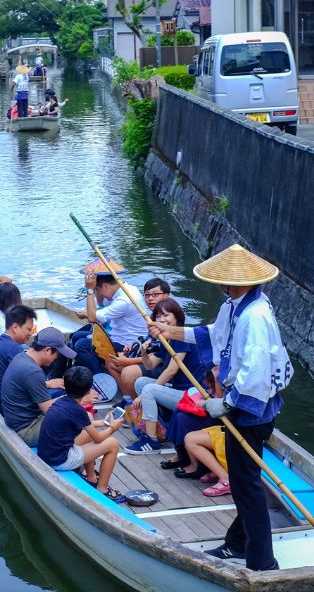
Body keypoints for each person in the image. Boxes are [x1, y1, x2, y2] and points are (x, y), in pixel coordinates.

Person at [150, 244, 294, 571]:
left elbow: (254, 372)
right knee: (245, 483)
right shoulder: (235, 306)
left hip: (251, 409)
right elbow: (214, 334)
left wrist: (225, 404)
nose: (220, 286)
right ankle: (238, 543)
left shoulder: (255, 316)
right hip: (241, 404)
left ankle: (261, 561)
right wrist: (169, 331)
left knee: (246, 486)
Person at [125, 297, 214, 456]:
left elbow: (172, 370)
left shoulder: (180, 337)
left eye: (166, 315)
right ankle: (159, 425)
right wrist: (145, 353)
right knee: (141, 382)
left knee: (149, 390)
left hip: (192, 395)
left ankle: (151, 440)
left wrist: (147, 393)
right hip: (178, 390)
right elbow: (149, 365)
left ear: (177, 317)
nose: (161, 320)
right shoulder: (165, 339)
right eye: (158, 317)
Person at [36, 366, 125, 501]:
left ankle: (91, 477)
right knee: (112, 444)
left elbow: (85, 426)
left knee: (89, 433)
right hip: (59, 460)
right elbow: (99, 437)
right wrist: (112, 428)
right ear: (88, 390)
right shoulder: (78, 410)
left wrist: (102, 423)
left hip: (47, 454)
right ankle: (102, 489)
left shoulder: (62, 400)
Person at [0, 327, 72, 447]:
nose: (57, 358)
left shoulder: (21, 356)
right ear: (47, 350)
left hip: (18, 420)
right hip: (26, 430)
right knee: (79, 421)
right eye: (57, 354)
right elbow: (52, 413)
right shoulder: (33, 372)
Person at [72, 267, 150, 376]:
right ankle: (79, 372)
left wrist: (90, 290)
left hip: (127, 344)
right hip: (115, 337)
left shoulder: (124, 300)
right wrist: (93, 287)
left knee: (82, 345)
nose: (96, 293)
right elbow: (101, 304)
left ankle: (98, 379)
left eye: (97, 290)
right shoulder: (123, 289)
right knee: (77, 336)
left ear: (105, 286)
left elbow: (92, 318)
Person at [109, 278, 173, 396]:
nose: (150, 299)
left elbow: (159, 356)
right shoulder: (152, 317)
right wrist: (133, 348)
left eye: (155, 295)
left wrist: (128, 361)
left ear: (166, 295)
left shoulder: (169, 317)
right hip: (151, 358)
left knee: (129, 372)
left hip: (164, 365)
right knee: (111, 360)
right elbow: (150, 344)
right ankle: (128, 397)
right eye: (147, 295)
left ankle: (137, 408)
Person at [0, 304, 37, 410]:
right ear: (15, 328)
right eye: (28, 329)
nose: (30, 333)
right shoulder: (13, 348)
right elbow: (29, 380)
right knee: (58, 393)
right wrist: (49, 383)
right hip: (3, 403)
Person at [185, 426, 231, 497]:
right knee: (189, 435)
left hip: (240, 432)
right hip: (229, 428)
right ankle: (219, 471)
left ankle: (226, 479)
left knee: (191, 440)